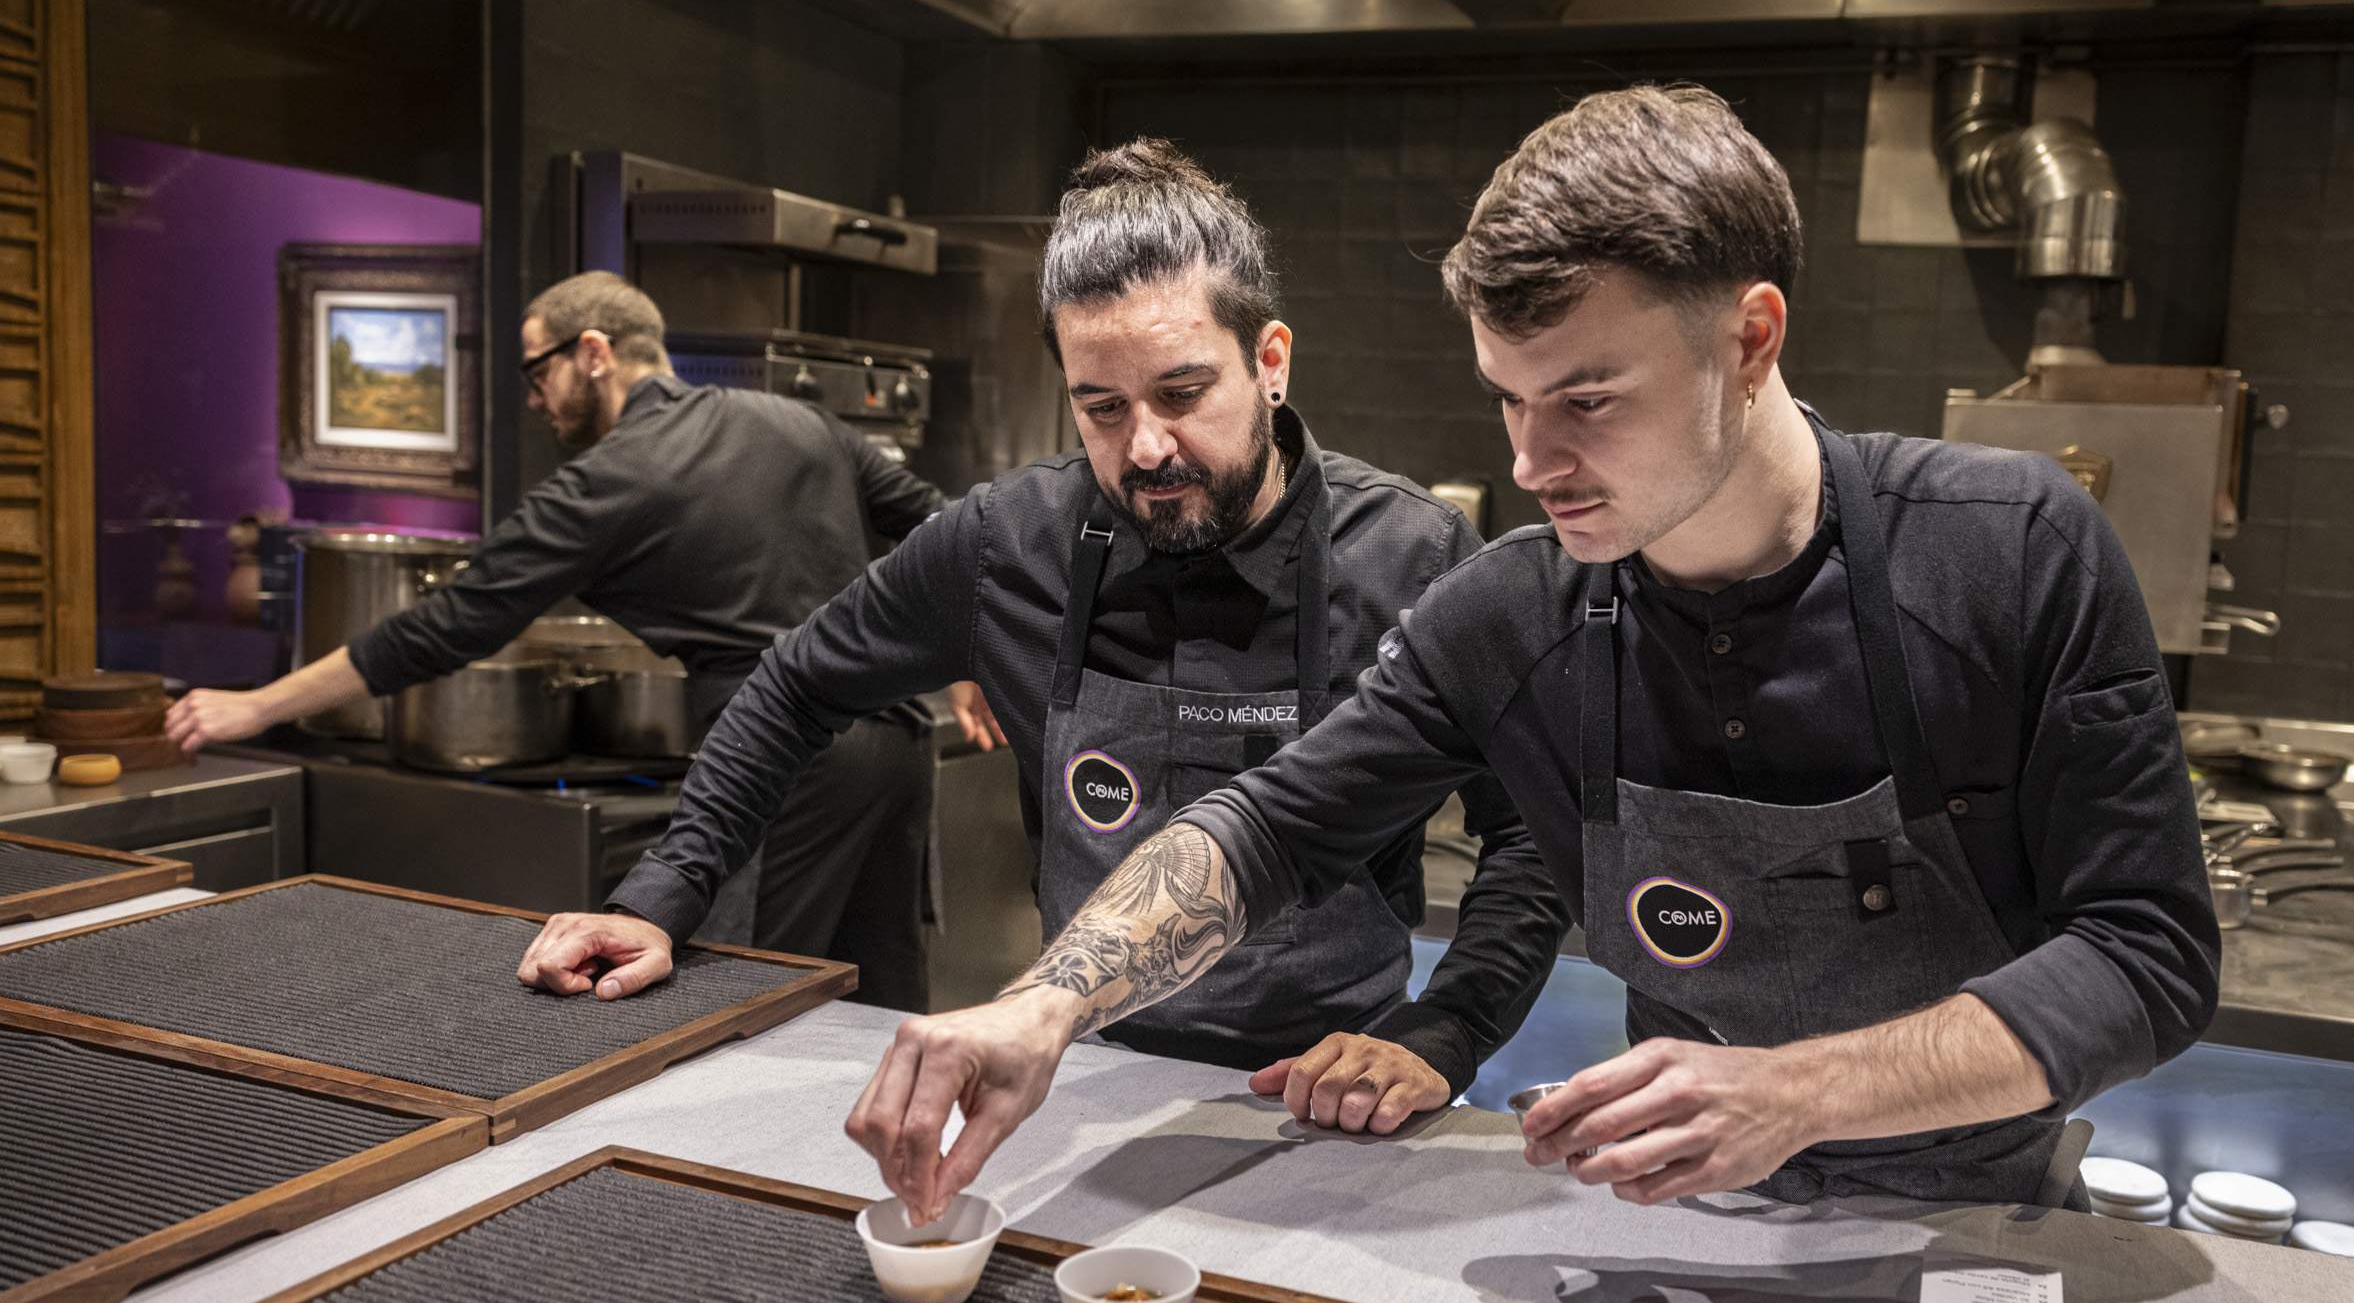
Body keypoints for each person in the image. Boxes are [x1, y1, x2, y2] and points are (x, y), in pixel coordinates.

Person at [844, 85, 2222, 1223]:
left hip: (1989, 1226)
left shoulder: (2008, 550)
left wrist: (1800, 1089)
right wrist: (1040, 1008)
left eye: (1586, 400)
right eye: (1508, 399)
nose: (1530, 462)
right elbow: (1270, 827)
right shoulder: (1519, 611)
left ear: (1749, 339)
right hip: (1680, 1214)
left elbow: (2148, 950)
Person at [514, 141, 1570, 1132]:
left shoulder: (1414, 555)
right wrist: (664, 895)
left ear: (1271, 359)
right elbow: (795, 683)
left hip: (1324, 1089)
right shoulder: (1007, 541)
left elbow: (1529, 825)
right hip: (1071, 1067)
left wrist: (1445, 1027)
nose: (1146, 445)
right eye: (1100, 407)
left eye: (1183, 392)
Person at [167, 271, 955, 1008]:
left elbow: (448, 623)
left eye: (537, 372)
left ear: (594, 354)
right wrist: (961, 661)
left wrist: (258, 706)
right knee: (876, 1014)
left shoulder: (608, 481)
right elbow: (946, 529)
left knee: (752, 1011)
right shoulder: (800, 421)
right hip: (899, 745)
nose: (537, 400)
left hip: (783, 771)